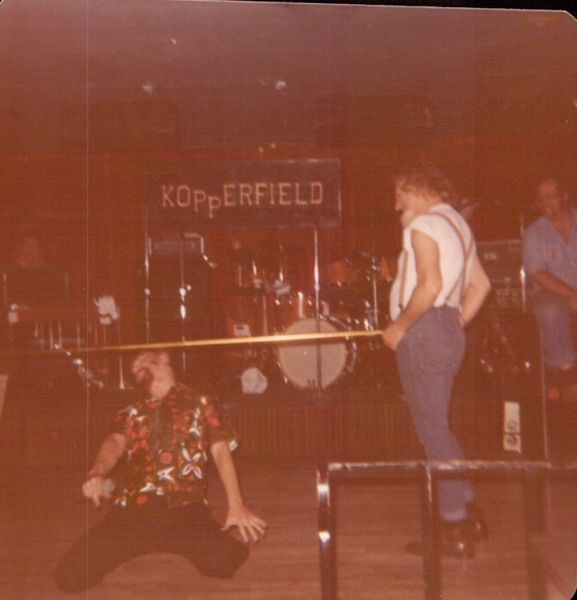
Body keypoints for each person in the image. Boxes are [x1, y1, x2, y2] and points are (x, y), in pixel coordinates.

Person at [55, 350, 267, 593]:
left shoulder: (200, 403)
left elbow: (220, 451)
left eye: (144, 361)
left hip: (184, 506)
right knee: (70, 576)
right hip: (133, 508)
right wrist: (97, 472)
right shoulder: (130, 411)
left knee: (223, 562)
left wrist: (236, 505)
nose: (136, 366)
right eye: (134, 367)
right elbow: (113, 444)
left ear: (164, 362)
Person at [382, 164, 492, 558]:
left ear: (417, 188)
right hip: (444, 330)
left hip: (423, 331)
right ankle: (468, 512)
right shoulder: (459, 226)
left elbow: (429, 286)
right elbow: (482, 285)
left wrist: (401, 325)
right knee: (438, 427)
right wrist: (454, 321)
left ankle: (454, 527)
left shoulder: (424, 225)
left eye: (400, 196)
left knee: (432, 430)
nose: (397, 206)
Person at [522, 176, 577, 399]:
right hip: (554, 292)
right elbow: (537, 273)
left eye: (551, 196)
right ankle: (566, 373)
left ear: (564, 196)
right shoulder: (534, 233)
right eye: (541, 198)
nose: (546, 202)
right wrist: (570, 293)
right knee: (548, 309)